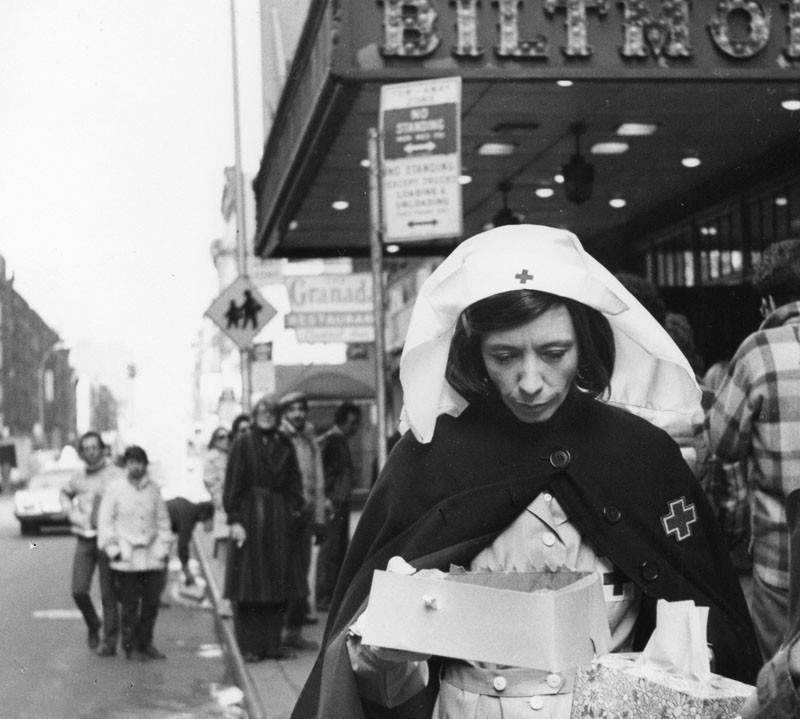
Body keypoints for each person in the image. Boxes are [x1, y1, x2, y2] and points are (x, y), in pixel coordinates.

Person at [293, 225, 760, 719]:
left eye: (554, 353)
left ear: (587, 344)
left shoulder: (641, 454)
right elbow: (377, 679)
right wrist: (385, 646)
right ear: (474, 353)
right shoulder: (430, 458)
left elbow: (702, 611)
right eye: (505, 356)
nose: (531, 382)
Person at [706, 238, 800, 661]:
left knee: (783, 681)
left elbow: (722, 444)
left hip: (782, 560)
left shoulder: (758, 351)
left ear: (767, 301)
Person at [223, 396, 305, 662]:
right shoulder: (244, 442)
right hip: (251, 519)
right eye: (261, 411)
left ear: (277, 415)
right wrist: (234, 519)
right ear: (255, 414)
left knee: (277, 585)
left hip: (279, 520)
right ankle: (249, 647)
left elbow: (295, 481)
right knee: (249, 587)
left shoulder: (285, 443)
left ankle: (272, 645)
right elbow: (233, 484)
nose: (266, 415)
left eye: (271, 411)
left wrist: (293, 508)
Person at [97, 445, 172, 660]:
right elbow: (105, 521)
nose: (135, 466)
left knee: (151, 603)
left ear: (145, 464)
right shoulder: (116, 488)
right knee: (130, 604)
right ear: (126, 464)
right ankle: (130, 647)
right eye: (131, 462)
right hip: (127, 555)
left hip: (152, 555)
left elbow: (163, 520)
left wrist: (163, 547)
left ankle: (146, 643)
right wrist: (113, 549)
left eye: (139, 462)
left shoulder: (154, 489)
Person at [60, 430, 123, 655]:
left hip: (107, 540)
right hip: (85, 538)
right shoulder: (78, 476)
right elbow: (65, 494)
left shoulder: (116, 474)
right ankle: (93, 624)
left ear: (102, 449)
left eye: (94, 447)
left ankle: (109, 641)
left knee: (109, 593)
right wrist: (72, 514)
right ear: (81, 452)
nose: (91, 452)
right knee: (78, 590)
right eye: (86, 448)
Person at [278, 391, 326, 650]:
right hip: (284, 516)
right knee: (284, 574)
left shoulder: (309, 440)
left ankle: (293, 631)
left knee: (301, 574)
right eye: (292, 409)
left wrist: (319, 519)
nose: (297, 414)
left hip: (306, 516)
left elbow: (318, 482)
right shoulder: (279, 438)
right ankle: (279, 632)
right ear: (284, 413)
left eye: (301, 409)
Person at [315, 400, 361, 612]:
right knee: (331, 551)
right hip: (333, 504)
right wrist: (326, 499)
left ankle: (330, 596)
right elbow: (321, 473)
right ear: (343, 422)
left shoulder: (338, 440)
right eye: (352, 423)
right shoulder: (331, 441)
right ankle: (324, 597)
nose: (355, 428)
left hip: (339, 503)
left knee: (337, 550)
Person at [202, 427, 230, 558]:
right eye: (221, 437)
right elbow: (210, 482)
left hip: (233, 504)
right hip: (223, 504)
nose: (225, 440)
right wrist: (219, 501)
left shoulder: (231, 454)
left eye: (227, 436)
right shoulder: (212, 457)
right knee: (224, 543)